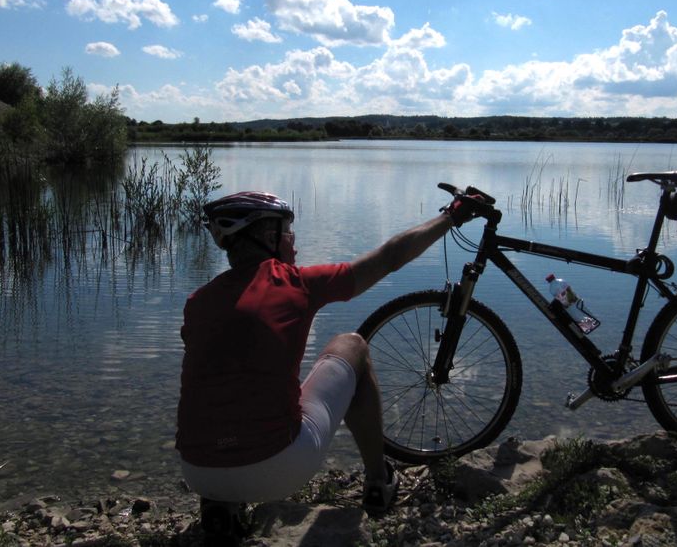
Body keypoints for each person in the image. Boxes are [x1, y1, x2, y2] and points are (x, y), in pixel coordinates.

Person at [175, 190, 481, 535]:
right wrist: (450, 217)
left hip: (198, 471)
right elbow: (391, 256)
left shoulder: (197, 302)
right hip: (277, 469)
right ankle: (378, 481)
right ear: (267, 237)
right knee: (352, 345)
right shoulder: (296, 284)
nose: (293, 240)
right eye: (287, 231)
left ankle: (221, 505)